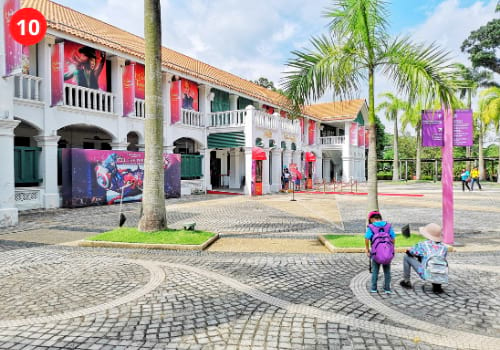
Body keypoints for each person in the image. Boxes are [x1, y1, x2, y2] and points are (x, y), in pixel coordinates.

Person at [400, 223, 448, 294]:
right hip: (441, 276)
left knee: (407, 257)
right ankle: (437, 286)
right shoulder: (444, 248)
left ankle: (406, 281)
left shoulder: (423, 245)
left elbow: (411, 252)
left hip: (426, 274)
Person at [364, 211, 396, 294]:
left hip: (376, 253)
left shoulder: (371, 227)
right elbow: (393, 238)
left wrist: (367, 249)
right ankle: (387, 289)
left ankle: (374, 288)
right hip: (387, 253)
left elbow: (366, 238)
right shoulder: (388, 226)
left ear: (371, 219)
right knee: (387, 271)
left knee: (375, 271)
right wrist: (392, 248)